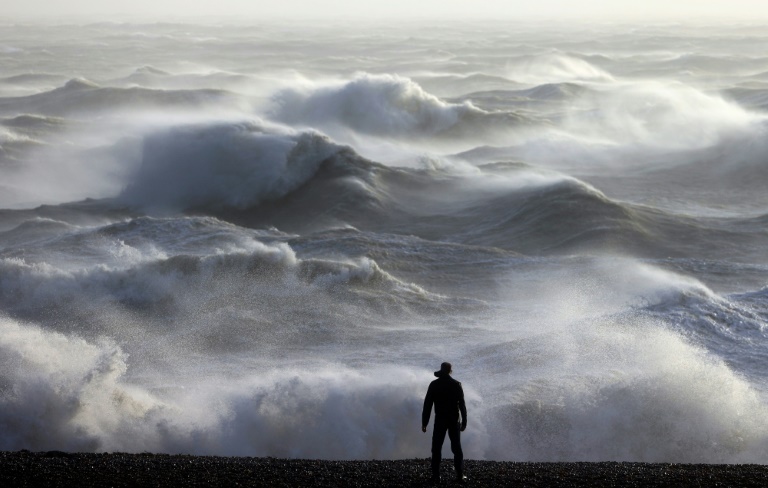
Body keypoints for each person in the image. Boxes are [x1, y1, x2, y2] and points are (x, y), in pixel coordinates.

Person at [422, 362, 467, 483]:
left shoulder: (434, 384)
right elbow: (462, 405)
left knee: (436, 448)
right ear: (450, 371)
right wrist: (464, 421)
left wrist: (424, 422)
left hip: (440, 420)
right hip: (454, 420)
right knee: (456, 448)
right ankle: (459, 475)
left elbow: (427, 405)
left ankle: (436, 476)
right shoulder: (456, 384)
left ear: (441, 370)